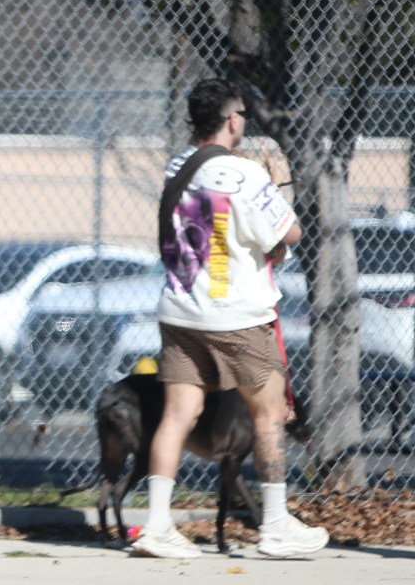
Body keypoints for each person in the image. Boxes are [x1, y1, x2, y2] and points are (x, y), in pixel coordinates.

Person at [131, 78, 329, 559]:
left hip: (180, 311)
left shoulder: (177, 166)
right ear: (232, 119)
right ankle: (277, 525)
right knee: (267, 415)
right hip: (238, 317)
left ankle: (157, 526)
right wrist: (280, 186)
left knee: (179, 414)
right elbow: (291, 233)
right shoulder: (245, 175)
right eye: (241, 112)